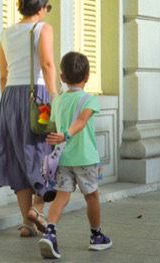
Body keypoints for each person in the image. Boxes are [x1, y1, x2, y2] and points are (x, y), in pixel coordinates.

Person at [0, 0, 58, 237]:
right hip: (37, 97)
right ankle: (37, 210)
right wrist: (55, 99)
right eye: (46, 8)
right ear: (40, 9)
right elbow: (48, 64)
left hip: (10, 98)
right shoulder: (42, 28)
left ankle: (27, 224)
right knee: (46, 153)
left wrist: (9, 103)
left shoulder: (6, 33)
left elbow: (3, 75)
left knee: (19, 156)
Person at [38, 52, 112, 259]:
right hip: (85, 158)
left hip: (63, 159)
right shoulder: (89, 100)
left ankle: (50, 233)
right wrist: (67, 134)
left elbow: (53, 122)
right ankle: (96, 236)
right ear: (87, 76)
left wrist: (60, 134)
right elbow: (82, 119)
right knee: (92, 196)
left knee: (62, 197)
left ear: (62, 77)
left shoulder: (59, 101)